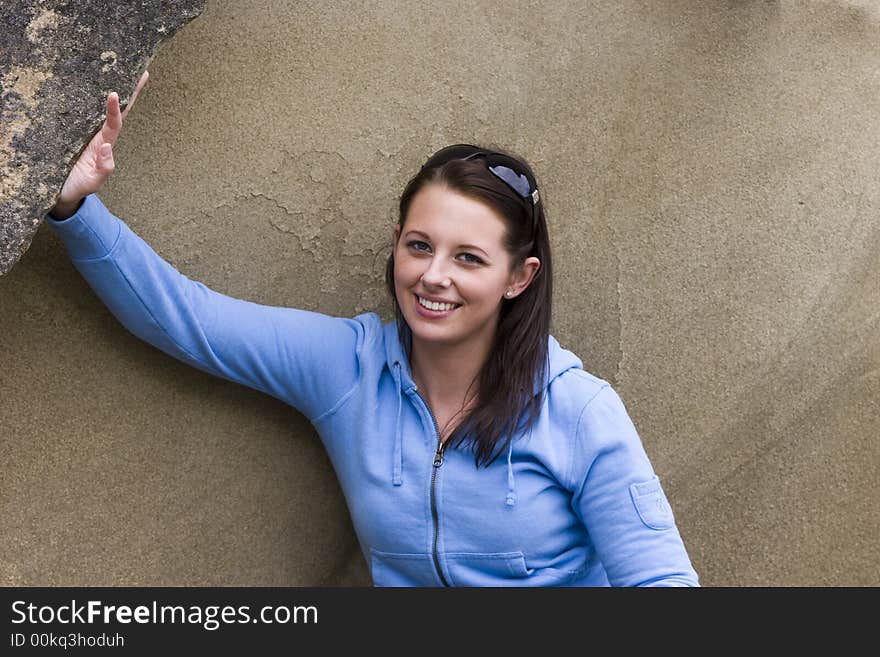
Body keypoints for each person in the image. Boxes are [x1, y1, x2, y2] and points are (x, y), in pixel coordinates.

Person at [47, 70, 699, 587]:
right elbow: (185, 317)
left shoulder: (580, 412)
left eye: (468, 258)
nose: (434, 276)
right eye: (420, 246)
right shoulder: (347, 369)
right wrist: (75, 203)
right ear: (396, 243)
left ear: (519, 277)